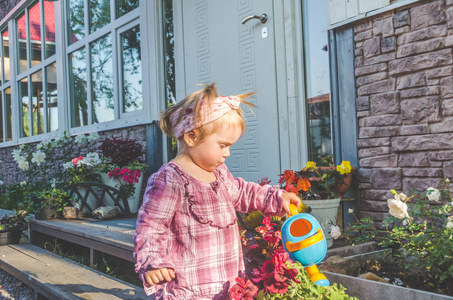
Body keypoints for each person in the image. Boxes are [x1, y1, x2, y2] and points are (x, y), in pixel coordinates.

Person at [133, 83, 301, 299]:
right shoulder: (170, 180)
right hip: (189, 290)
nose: (227, 153)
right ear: (192, 137)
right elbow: (151, 228)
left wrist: (275, 197)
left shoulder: (219, 173)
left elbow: (242, 193)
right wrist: (153, 261)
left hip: (229, 285)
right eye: (222, 145)